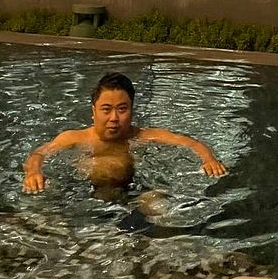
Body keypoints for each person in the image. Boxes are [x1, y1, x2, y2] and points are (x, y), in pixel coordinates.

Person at [22, 70, 227, 193]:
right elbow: (39, 153)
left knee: (157, 205)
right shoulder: (74, 138)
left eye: (122, 109)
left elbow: (190, 143)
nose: (114, 117)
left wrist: (209, 159)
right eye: (106, 109)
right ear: (93, 111)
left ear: (131, 110)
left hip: (134, 190)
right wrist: (33, 173)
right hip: (81, 193)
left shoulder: (145, 136)